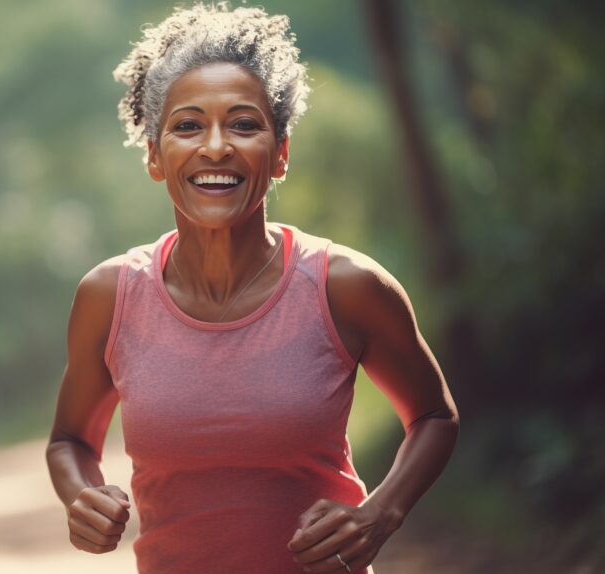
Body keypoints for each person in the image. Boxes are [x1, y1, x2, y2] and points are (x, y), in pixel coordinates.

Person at [45, 4, 459, 573]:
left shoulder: (346, 287)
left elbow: (434, 416)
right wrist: (80, 496)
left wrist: (381, 512)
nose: (215, 147)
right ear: (154, 156)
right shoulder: (110, 297)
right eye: (188, 125)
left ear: (281, 153)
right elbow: (69, 439)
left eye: (244, 124)